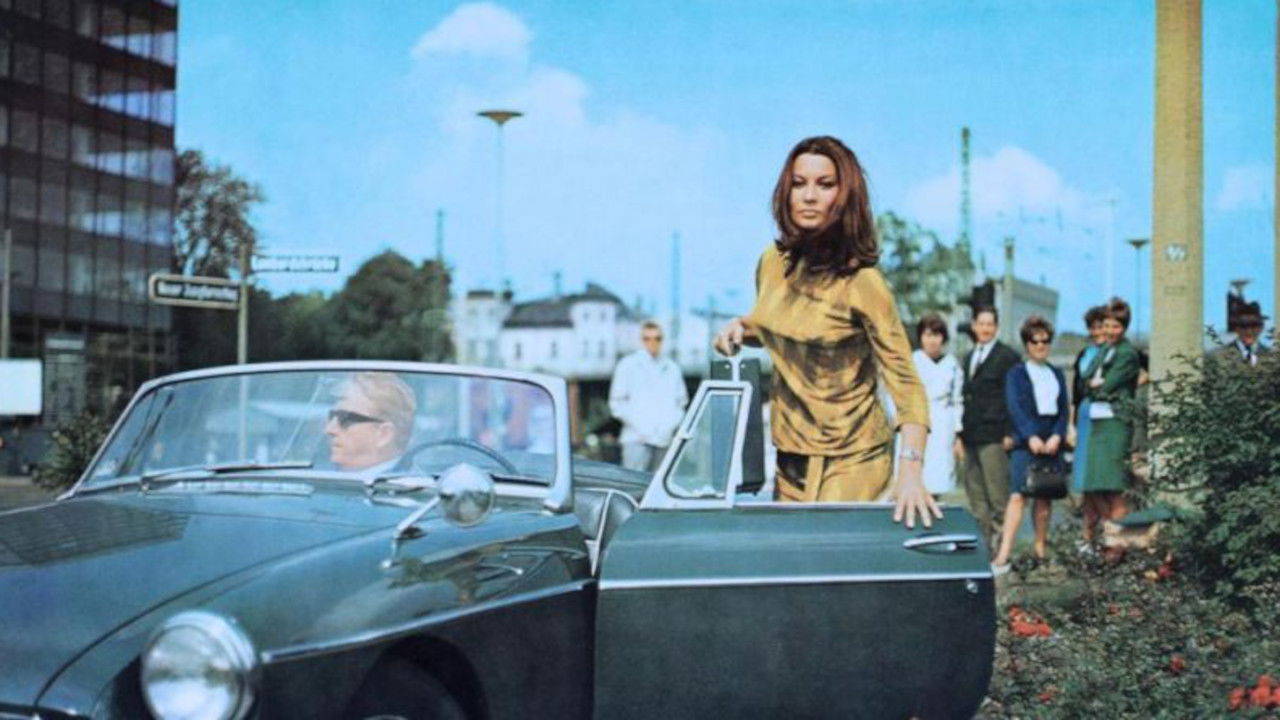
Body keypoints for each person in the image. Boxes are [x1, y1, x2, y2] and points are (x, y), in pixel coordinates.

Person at [713, 135, 937, 527]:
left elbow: (906, 384)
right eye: (798, 184)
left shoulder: (863, 282)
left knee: (827, 551)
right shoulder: (771, 263)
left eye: (825, 184)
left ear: (845, 194)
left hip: (854, 456)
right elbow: (782, 325)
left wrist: (911, 471)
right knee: (790, 558)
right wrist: (742, 329)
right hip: (789, 455)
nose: (809, 196)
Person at [992, 316, 1069, 573]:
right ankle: (1003, 554)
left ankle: (1040, 550)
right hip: (1026, 442)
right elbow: (1015, 407)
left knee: (1045, 497)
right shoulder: (1016, 374)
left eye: (1045, 341)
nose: (1040, 346)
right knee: (1018, 496)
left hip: (1052, 442)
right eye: (1035, 342)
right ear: (1027, 344)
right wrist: (1030, 436)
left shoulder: (1056, 373)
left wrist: (1057, 435)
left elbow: (1063, 410)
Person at [958, 306, 1021, 552]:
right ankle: (983, 549)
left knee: (998, 498)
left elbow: (1013, 397)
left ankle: (1002, 550)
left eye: (990, 324)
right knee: (976, 498)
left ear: (996, 327)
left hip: (994, 436)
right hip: (971, 434)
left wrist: (1009, 432)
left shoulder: (1007, 357)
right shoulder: (969, 356)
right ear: (974, 326)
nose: (985, 329)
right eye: (981, 324)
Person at [1081, 298, 1140, 545]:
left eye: (1116, 326)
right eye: (1106, 325)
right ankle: (1112, 536)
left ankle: (1117, 544)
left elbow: (1106, 389)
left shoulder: (1127, 354)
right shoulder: (1106, 349)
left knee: (1115, 487)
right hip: (1098, 424)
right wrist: (1093, 385)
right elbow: (1085, 379)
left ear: (1124, 328)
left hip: (1115, 426)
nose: (1110, 331)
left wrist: (1097, 386)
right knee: (1094, 484)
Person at [608, 320, 689, 472]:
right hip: (635, 438)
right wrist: (641, 426)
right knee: (635, 482)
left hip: (665, 440)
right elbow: (617, 404)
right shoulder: (627, 365)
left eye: (657, 338)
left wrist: (669, 427)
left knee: (661, 481)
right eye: (647, 338)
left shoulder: (673, 368)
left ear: (662, 340)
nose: (652, 343)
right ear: (640, 340)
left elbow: (681, 403)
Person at [912, 314, 964, 498]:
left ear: (943, 338)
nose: (932, 340)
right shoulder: (913, 361)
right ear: (921, 337)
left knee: (938, 478)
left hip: (943, 425)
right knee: (917, 475)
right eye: (928, 335)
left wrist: (957, 433)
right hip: (917, 420)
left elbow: (957, 399)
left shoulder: (952, 364)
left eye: (936, 335)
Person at [326, 371, 417, 473]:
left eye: (346, 419)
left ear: (384, 434)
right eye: (332, 416)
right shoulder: (320, 472)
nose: (329, 429)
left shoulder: (408, 482)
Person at [1069, 305, 1108, 541]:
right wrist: (1071, 427)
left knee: (1100, 482)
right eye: (1093, 328)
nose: (1097, 332)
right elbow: (1076, 394)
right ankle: (1087, 537)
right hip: (1085, 419)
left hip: (1106, 421)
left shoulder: (1117, 353)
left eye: (1101, 327)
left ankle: (1110, 532)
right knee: (1086, 482)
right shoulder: (1084, 355)